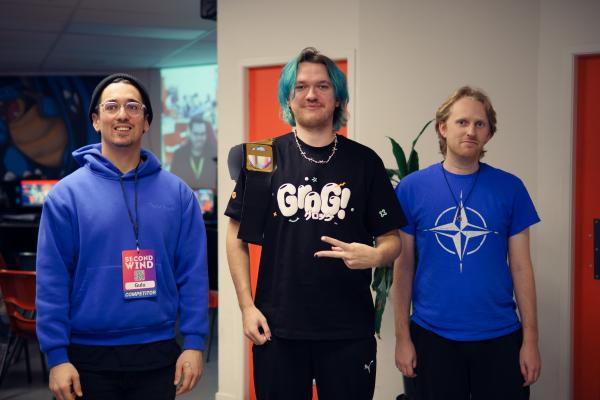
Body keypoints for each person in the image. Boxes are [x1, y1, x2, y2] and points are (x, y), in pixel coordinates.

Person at [225, 47, 405, 400]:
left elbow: (392, 239)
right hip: (277, 329)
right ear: (288, 99)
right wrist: (247, 307)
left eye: (322, 86)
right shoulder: (261, 157)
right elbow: (235, 236)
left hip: (348, 330)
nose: (311, 94)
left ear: (337, 98)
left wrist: (376, 256)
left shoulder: (365, 162)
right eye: (301, 86)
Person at [36, 73, 208, 400]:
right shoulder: (66, 196)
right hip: (86, 355)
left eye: (132, 106)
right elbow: (52, 279)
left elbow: (193, 274)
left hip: (158, 351)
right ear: (96, 120)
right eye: (111, 106)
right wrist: (56, 356)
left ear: (146, 122)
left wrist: (194, 342)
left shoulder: (179, 195)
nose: (122, 115)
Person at [392, 86, 541, 400]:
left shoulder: (511, 188)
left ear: (489, 134)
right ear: (443, 128)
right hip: (431, 336)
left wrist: (530, 341)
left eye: (480, 124)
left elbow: (521, 268)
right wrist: (402, 338)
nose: (471, 131)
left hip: (500, 336)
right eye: (462, 122)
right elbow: (403, 268)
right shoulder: (410, 189)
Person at [170, 115, 217, 189]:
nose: (199, 138)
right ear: (190, 133)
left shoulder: (214, 153)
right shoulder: (178, 155)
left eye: (202, 134)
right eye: (196, 134)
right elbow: (173, 183)